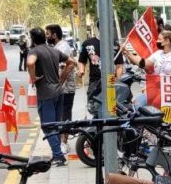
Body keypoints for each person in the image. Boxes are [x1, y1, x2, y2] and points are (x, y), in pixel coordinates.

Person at [27, 27, 77, 166]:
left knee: (48, 127)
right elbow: (72, 62)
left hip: (46, 94)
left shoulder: (35, 51)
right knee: (56, 125)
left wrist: (33, 77)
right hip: (58, 92)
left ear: (32, 39)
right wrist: (61, 79)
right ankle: (58, 154)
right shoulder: (54, 50)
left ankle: (58, 156)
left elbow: (30, 62)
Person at [77, 22, 123, 117]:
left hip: (111, 82)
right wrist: (81, 70)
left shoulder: (115, 44)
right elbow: (81, 61)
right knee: (94, 108)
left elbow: (119, 66)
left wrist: (118, 80)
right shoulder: (88, 43)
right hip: (95, 82)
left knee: (112, 109)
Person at [46, 24, 77, 154]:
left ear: (54, 35)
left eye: (48, 33)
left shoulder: (63, 47)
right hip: (60, 89)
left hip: (65, 89)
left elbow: (69, 66)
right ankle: (62, 141)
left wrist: (59, 82)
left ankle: (64, 142)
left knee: (65, 115)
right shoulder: (57, 47)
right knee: (60, 116)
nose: (46, 36)